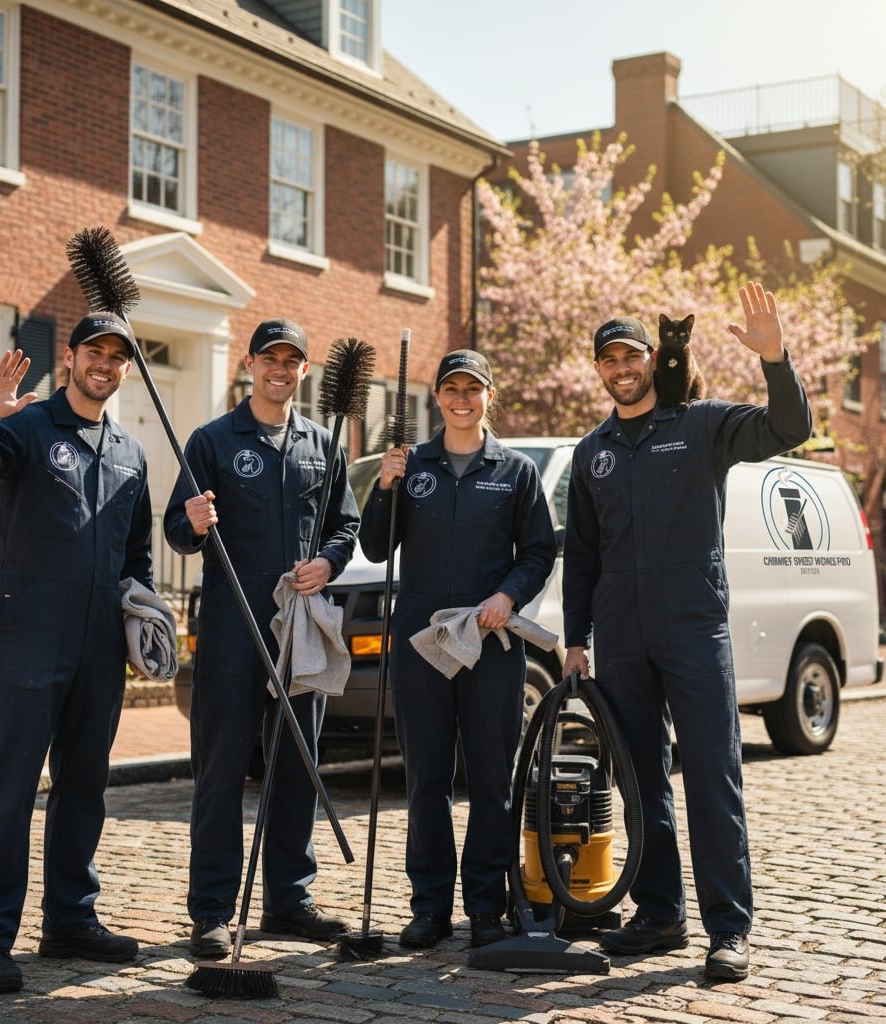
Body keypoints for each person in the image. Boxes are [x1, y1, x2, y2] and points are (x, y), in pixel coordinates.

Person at [562, 282, 812, 981]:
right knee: (641, 779)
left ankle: (729, 929)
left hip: (694, 628)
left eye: (632, 355)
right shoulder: (593, 453)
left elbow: (787, 429)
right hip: (619, 635)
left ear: (652, 358)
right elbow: (581, 553)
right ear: (600, 369)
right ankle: (659, 913)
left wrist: (776, 359)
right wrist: (577, 636)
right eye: (609, 359)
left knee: (711, 775)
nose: (622, 367)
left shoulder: (701, 424)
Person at [0, 312, 154, 993]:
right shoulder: (26, 427)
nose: (106, 364)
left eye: (119, 356)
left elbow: (136, 553)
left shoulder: (130, 452)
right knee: (7, 792)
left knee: (84, 788)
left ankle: (70, 919)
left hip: (98, 650)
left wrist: (144, 607)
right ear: (71, 356)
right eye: (96, 351)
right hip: (28, 641)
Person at [164, 317, 359, 958]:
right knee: (221, 770)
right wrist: (191, 522)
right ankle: (213, 910)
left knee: (298, 764)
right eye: (269, 358)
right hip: (230, 627)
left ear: (304, 370)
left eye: (292, 361)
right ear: (250, 363)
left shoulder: (322, 446)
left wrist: (328, 562)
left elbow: (345, 525)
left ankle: (289, 900)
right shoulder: (213, 441)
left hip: (298, 628)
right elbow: (174, 529)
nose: (280, 369)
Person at [359, 349, 557, 950]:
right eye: (452, 389)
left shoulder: (517, 471)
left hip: (491, 643)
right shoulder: (410, 465)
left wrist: (508, 596)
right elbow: (373, 546)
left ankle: (487, 908)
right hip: (421, 642)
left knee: (493, 781)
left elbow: (540, 552)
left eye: (473, 389)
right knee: (426, 780)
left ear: (488, 396)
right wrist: (384, 486)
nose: (462, 399)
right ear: (438, 398)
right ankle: (429, 908)